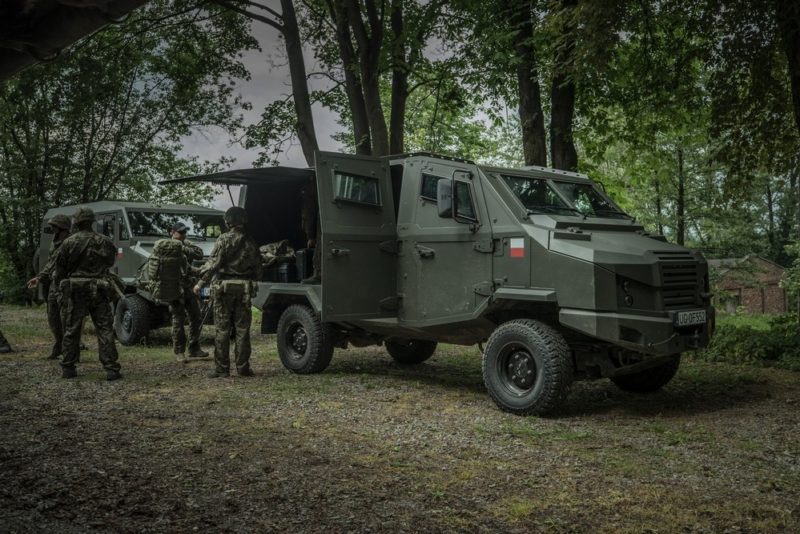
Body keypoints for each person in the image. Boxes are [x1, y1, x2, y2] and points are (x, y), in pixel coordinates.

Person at [53, 207, 122, 380]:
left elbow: (60, 269)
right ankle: (111, 369)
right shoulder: (105, 241)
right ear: (92, 221)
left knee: (72, 329)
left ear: (76, 222)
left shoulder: (68, 242)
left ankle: (68, 367)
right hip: (99, 290)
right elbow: (110, 262)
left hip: (76, 291)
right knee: (105, 329)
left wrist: (62, 288)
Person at [194, 207, 260, 378]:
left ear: (228, 221)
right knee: (242, 329)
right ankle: (243, 368)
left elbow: (213, 264)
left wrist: (200, 283)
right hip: (244, 290)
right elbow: (258, 267)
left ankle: (222, 369)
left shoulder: (223, 239)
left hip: (223, 291)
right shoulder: (251, 241)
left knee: (222, 329)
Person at [26, 214, 72, 360]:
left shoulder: (70, 242)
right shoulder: (55, 241)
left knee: (67, 319)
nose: (52, 229)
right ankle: (58, 346)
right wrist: (39, 278)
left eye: (54, 226)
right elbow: (51, 262)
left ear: (62, 228)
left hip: (66, 285)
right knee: (53, 317)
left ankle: (70, 351)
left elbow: (55, 262)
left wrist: (40, 277)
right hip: (54, 284)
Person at [167, 221, 209, 362]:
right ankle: (179, 351)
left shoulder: (186, 244)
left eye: (185, 232)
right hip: (175, 288)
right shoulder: (167, 246)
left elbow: (199, 254)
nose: (183, 234)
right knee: (178, 320)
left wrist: (184, 247)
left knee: (196, 317)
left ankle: (194, 348)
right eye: (180, 232)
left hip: (188, 287)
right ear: (172, 232)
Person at [300, 179, 321, 284]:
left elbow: (309, 213)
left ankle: (318, 274)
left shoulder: (312, 186)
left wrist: (310, 236)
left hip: (321, 224)